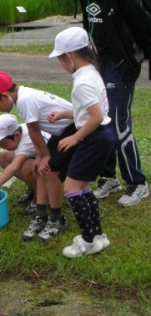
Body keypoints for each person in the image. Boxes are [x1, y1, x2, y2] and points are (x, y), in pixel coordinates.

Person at [0, 72, 77, 242]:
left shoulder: (24, 100)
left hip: (73, 129)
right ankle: (41, 215)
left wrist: (44, 155)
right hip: (61, 132)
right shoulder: (21, 98)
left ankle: (57, 219)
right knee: (41, 171)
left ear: (4, 96)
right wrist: (39, 155)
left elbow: (34, 130)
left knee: (49, 171)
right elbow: (34, 131)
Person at [48, 26, 115, 257]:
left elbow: (94, 117)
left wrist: (75, 137)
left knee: (71, 189)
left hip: (93, 138)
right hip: (102, 135)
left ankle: (87, 241)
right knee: (84, 188)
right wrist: (65, 114)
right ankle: (97, 236)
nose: (61, 65)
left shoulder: (82, 82)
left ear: (68, 56)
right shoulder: (92, 71)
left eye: (59, 60)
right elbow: (88, 111)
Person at [77, 0, 150, 206]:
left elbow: (143, 26)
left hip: (120, 64)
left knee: (119, 125)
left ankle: (138, 183)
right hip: (98, 63)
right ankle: (109, 177)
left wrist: (132, 61)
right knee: (100, 121)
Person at [0, 114, 50, 217]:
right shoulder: (19, 131)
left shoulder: (27, 142)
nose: (4, 147)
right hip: (38, 158)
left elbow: (14, 167)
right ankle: (33, 188)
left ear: (17, 136)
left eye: (4, 144)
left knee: (24, 168)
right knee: (2, 156)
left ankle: (42, 195)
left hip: (53, 166)